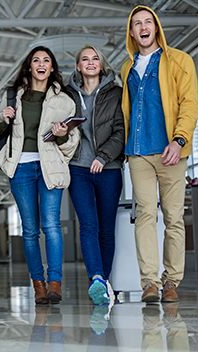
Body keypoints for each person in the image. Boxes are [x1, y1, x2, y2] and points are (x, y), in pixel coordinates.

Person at [120, 5, 198, 303]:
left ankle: (171, 282)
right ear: (131, 31)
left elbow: (190, 104)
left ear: (156, 27)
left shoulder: (180, 61)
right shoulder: (126, 68)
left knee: (174, 217)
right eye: (137, 23)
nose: (143, 27)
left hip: (172, 152)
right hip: (138, 153)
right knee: (145, 215)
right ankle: (149, 283)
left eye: (148, 22)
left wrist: (179, 140)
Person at [0, 46, 80, 304]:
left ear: (52, 67)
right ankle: (38, 285)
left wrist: (63, 134)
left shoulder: (64, 101)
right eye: (36, 60)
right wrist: (3, 118)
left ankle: (55, 283)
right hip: (20, 168)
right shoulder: (13, 97)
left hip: (49, 167)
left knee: (51, 225)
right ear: (29, 67)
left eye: (46, 60)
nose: (41, 64)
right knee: (30, 230)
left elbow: (71, 144)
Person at [66, 45, 124, 305]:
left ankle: (105, 282)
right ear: (78, 66)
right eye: (85, 59)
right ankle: (97, 278)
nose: (90, 63)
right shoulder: (68, 95)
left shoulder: (117, 93)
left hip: (109, 169)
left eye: (95, 59)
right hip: (78, 167)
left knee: (106, 229)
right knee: (88, 225)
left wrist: (103, 156)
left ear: (102, 64)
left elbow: (121, 131)